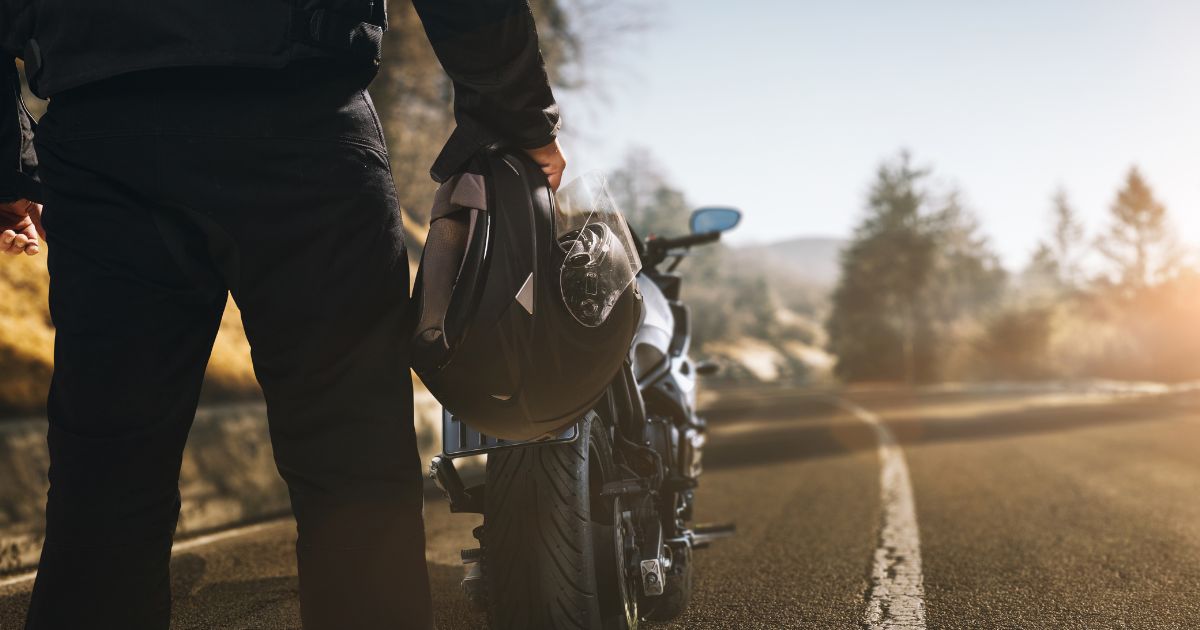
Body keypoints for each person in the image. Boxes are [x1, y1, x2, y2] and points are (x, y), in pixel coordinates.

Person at [0, 1, 566, 628]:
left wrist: (11, 162)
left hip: (103, 134)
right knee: (351, 462)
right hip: (304, 123)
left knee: (105, 473)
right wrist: (516, 116)